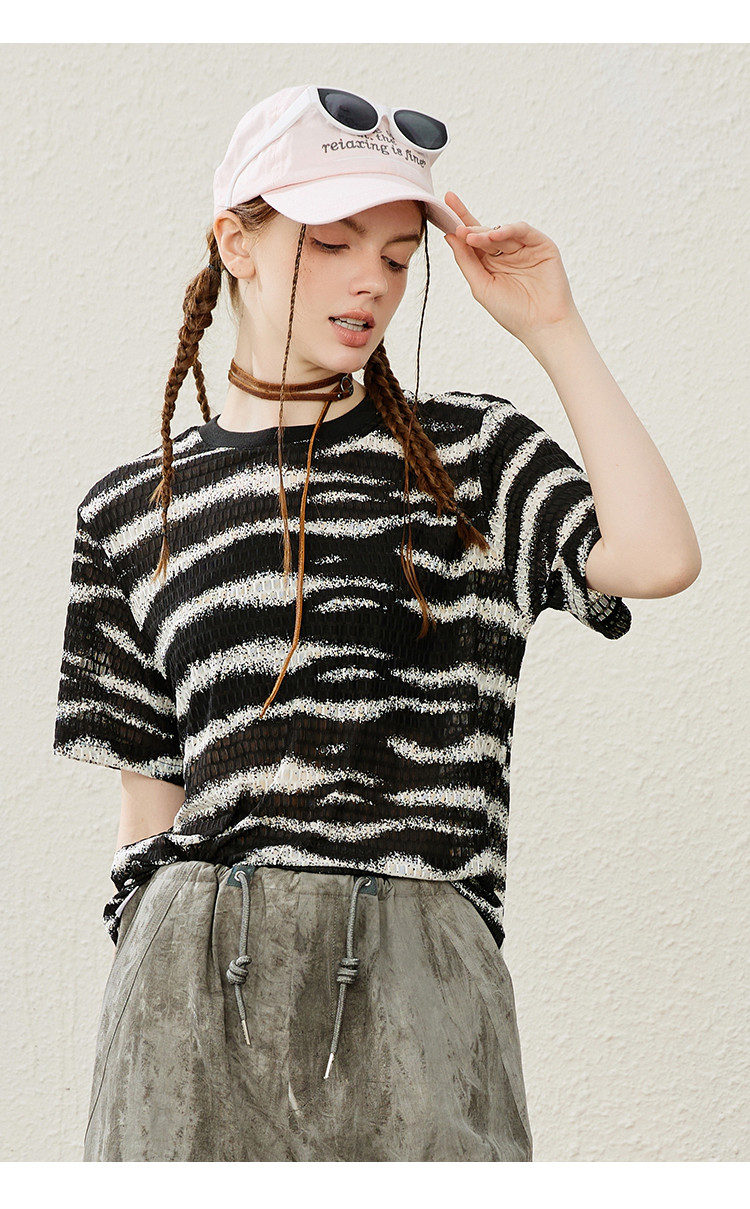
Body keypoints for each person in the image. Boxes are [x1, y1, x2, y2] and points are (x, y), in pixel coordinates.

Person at [53, 85, 701, 1162]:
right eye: (334, 243)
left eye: (399, 258)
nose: (372, 281)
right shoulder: (130, 511)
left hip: (419, 961)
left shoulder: (470, 459)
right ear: (237, 244)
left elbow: (658, 557)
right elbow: (148, 805)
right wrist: (150, 964)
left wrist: (553, 328)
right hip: (188, 977)